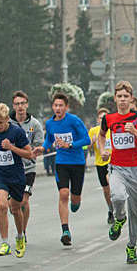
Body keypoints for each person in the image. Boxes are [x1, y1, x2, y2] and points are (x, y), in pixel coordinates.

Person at [100, 81, 137, 263]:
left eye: (126, 97)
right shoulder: (108, 118)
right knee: (116, 196)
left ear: (131, 99)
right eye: (119, 96)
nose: (123, 100)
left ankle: (131, 247)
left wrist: (135, 133)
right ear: (115, 98)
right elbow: (101, 135)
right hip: (116, 166)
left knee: (135, 212)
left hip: (136, 168)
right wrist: (102, 150)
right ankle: (119, 218)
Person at [38, 93, 91, 246]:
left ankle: (76, 201)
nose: (58, 108)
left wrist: (70, 145)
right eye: (56, 105)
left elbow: (86, 139)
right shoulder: (50, 123)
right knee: (63, 194)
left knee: (74, 199)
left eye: (61, 105)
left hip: (77, 163)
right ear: (52, 107)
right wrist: (42, 148)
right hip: (61, 163)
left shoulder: (74, 121)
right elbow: (49, 139)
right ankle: (65, 230)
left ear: (66, 107)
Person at [0, 103, 35, 258]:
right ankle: (5, 243)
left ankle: (20, 236)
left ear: (8, 119)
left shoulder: (17, 132)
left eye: (1, 122)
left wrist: (11, 148)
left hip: (16, 176)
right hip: (0, 174)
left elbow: (29, 154)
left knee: (15, 209)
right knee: (2, 206)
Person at [9, 91, 45, 241]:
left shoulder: (34, 124)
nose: (20, 107)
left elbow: (40, 144)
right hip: (11, 168)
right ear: (13, 106)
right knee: (13, 206)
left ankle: (22, 232)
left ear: (27, 105)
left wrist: (39, 149)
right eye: (17, 104)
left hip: (28, 169)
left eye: (22, 103)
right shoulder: (8, 123)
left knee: (24, 200)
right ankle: (19, 223)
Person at [88, 108, 115, 224]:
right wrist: (92, 142)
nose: (102, 119)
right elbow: (87, 147)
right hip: (100, 163)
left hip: (113, 162)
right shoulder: (94, 131)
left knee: (111, 184)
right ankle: (110, 208)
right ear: (98, 119)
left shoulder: (113, 129)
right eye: (100, 117)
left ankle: (118, 206)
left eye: (104, 117)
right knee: (106, 188)